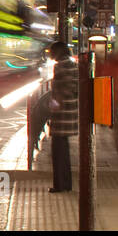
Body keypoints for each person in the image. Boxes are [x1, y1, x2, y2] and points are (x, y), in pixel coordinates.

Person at [47, 41, 79, 193]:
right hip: (70, 113)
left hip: (62, 116)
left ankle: (60, 185)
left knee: (58, 152)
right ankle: (66, 184)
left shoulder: (60, 66)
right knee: (64, 151)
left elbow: (61, 90)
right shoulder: (72, 64)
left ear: (58, 51)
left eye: (51, 51)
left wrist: (53, 105)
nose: (50, 54)